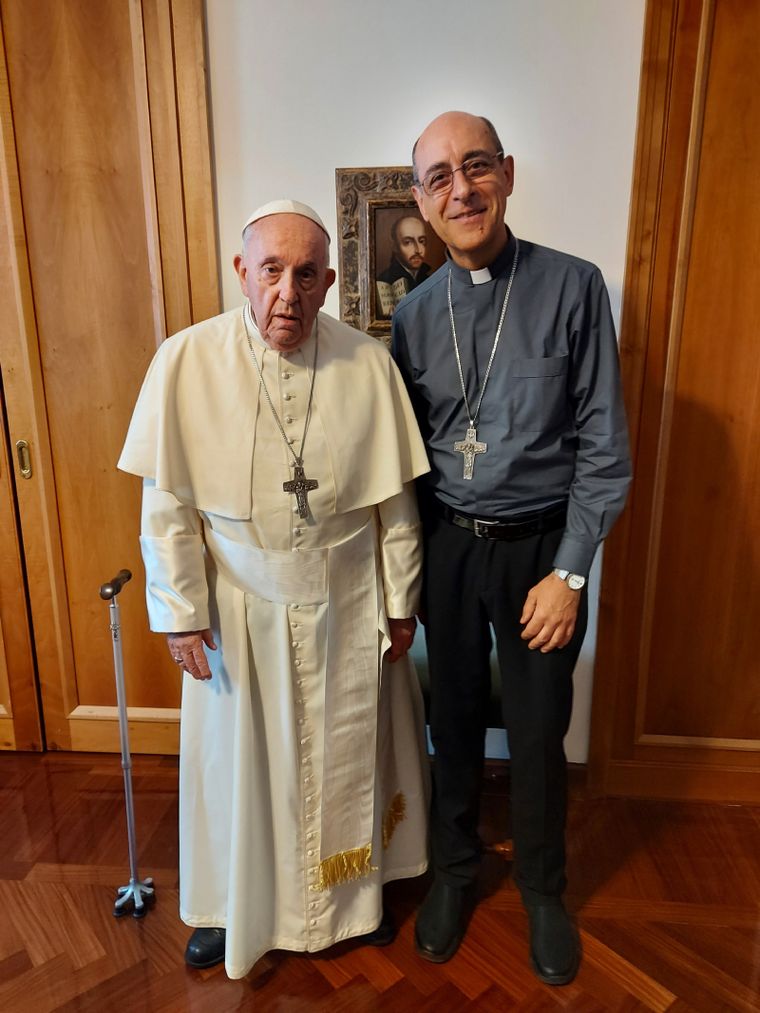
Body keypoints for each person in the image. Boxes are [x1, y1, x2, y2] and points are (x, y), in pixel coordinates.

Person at [119, 199, 431, 979]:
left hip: (349, 599)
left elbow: (396, 507)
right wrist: (181, 616)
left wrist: (401, 605)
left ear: (328, 281)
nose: (286, 293)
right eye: (270, 271)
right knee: (240, 767)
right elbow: (168, 509)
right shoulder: (185, 362)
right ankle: (232, 908)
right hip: (238, 605)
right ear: (241, 273)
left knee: (353, 756)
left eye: (304, 274)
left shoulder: (368, 363)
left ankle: (354, 902)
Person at [391, 112, 631, 986]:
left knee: (535, 730)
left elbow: (605, 451)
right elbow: (406, 462)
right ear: (419, 197)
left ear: (509, 174)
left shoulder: (574, 287)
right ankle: (455, 871)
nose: (462, 189)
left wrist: (572, 571)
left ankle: (541, 888)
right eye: (440, 176)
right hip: (450, 545)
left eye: (477, 166)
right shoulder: (413, 316)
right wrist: (406, 581)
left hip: (541, 550)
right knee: (449, 717)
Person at [378, 214, 432, 289]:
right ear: (395, 246)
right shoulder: (384, 282)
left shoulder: (430, 279)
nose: (418, 250)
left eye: (421, 241)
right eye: (408, 242)